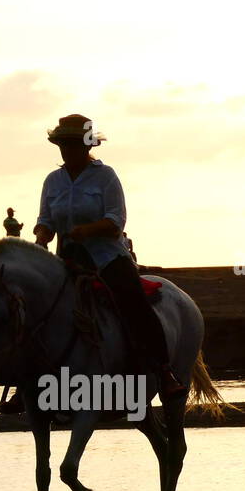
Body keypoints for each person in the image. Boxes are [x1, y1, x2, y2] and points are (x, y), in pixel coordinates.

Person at [31, 114, 185, 398]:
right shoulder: (53, 181)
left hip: (107, 258)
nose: (67, 150)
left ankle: (163, 370)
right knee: (33, 307)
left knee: (133, 302)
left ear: (88, 146)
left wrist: (86, 231)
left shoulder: (106, 176)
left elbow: (116, 220)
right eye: (63, 144)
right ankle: (26, 382)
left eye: (74, 144)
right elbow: (46, 220)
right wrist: (41, 236)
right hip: (68, 260)